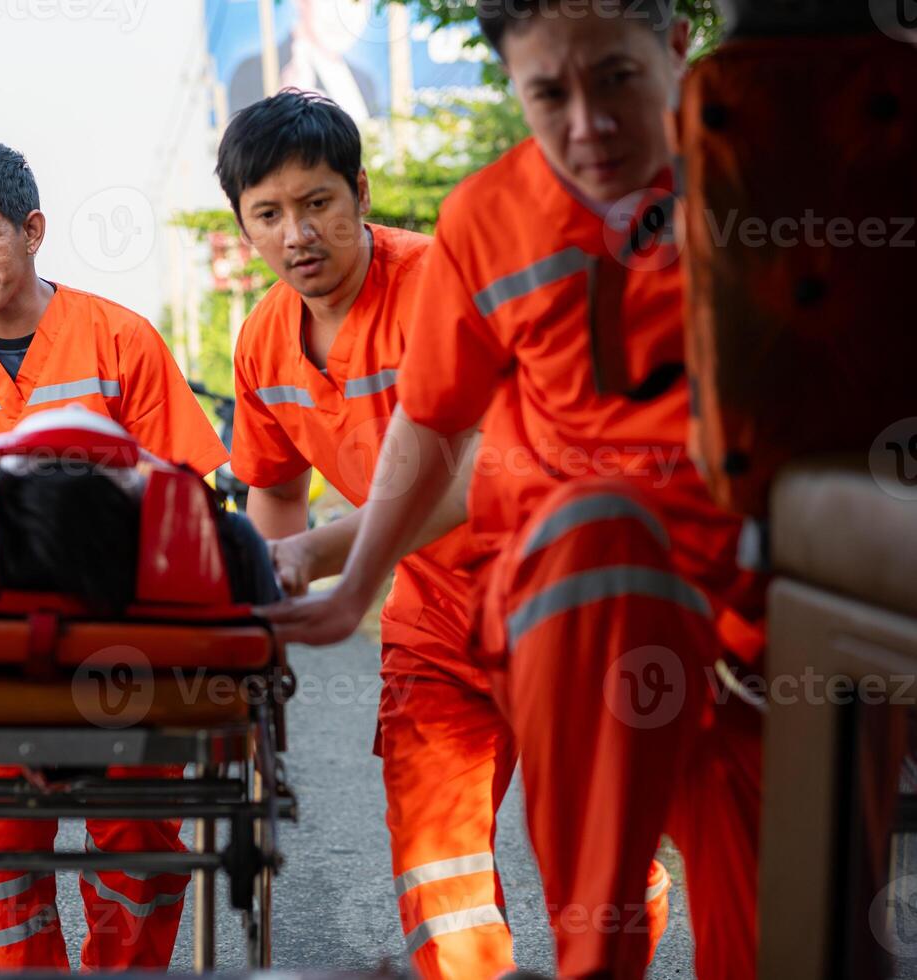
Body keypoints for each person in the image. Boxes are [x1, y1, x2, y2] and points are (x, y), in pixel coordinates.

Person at [260, 4, 763, 978]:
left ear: (675, 47)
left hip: (753, 608)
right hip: (571, 601)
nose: (588, 125)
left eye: (615, 77)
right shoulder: (487, 219)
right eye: (548, 93)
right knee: (595, 538)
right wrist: (356, 581)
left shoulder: (778, 178)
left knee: (772, 924)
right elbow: (435, 421)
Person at [215, 89, 669, 977]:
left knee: (596, 847)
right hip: (430, 612)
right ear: (244, 224)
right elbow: (273, 498)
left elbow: (487, 467)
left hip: (556, 585)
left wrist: (325, 554)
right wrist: (274, 611)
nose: (297, 236)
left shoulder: (443, 283)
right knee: (437, 851)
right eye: (267, 214)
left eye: (318, 205)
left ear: (363, 195)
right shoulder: (263, 341)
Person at [0, 141, 226, 971]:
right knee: (0, 857)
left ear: (32, 230)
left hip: (126, 644)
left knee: (138, 842)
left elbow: (187, 498)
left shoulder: (119, 340)